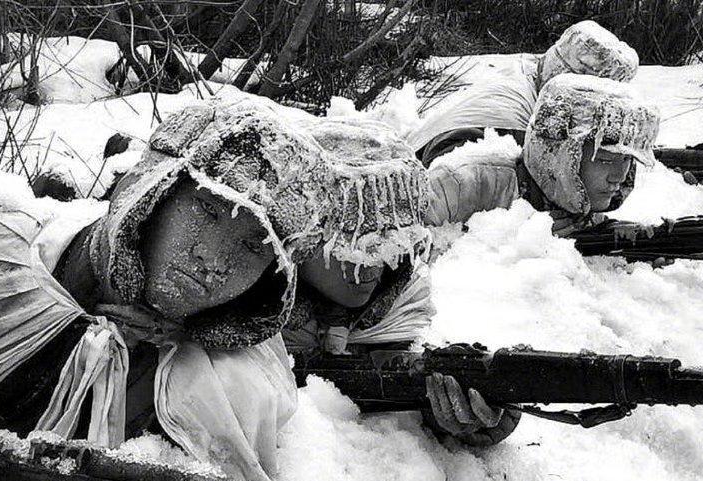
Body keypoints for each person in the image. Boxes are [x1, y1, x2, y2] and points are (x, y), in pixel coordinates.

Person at [0, 96, 343, 481]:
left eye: (252, 248)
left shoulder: (232, 386)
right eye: (208, 211)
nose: (212, 259)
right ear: (151, 193)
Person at [280, 115, 523, 447]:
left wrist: (462, 414)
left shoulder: (404, 307)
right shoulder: (245, 307)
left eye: (392, 239)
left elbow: (413, 382)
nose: (377, 259)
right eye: (353, 240)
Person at [425, 73, 661, 237]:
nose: (619, 177)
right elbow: (398, 260)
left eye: (627, 159)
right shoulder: (459, 183)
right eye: (605, 159)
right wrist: (508, 238)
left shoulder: (580, 207)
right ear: (559, 154)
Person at [407, 20, 640, 167]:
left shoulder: (528, 73)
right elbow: (453, 173)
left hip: (420, 148)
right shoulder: (513, 126)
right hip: (433, 161)